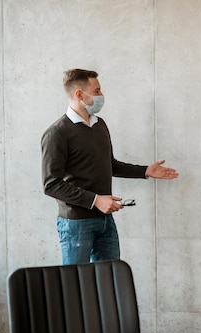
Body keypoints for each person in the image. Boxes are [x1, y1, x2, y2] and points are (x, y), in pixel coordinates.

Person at [41, 68, 178, 265]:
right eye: (96, 91)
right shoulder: (56, 133)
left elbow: (110, 164)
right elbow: (51, 184)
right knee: (74, 283)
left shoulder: (99, 124)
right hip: (75, 224)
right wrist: (95, 200)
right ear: (79, 94)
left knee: (109, 281)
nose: (101, 96)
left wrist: (145, 171)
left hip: (105, 220)